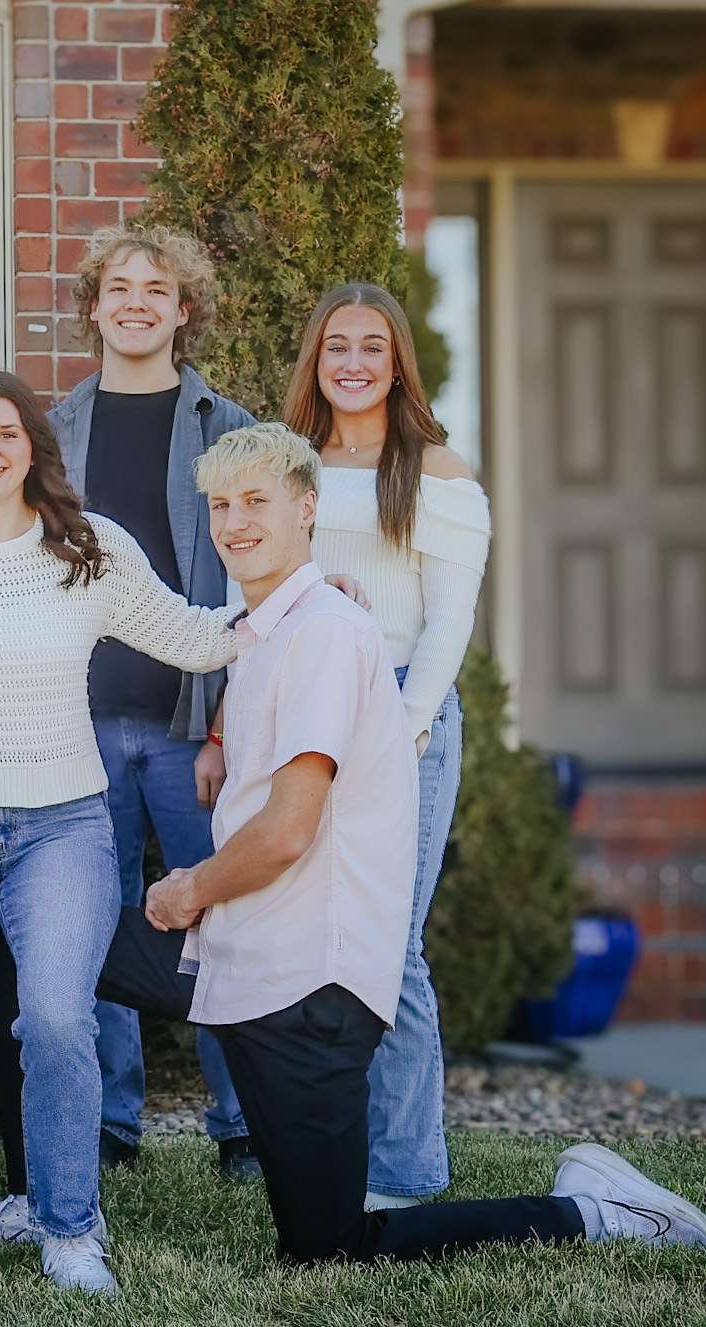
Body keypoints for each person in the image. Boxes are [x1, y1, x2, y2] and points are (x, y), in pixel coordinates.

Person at [96, 422, 706, 1268]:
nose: (234, 522)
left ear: (307, 507)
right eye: (220, 505)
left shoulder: (323, 633)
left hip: (307, 985)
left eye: (256, 502)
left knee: (327, 1247)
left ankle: (597, 1212)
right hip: (245, 955)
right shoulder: (273, 626)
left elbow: (284, 832)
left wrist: (187, 887)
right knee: (49, 944)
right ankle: (40, 1202)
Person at [0, 369, 242, 1295]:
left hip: (64, 828)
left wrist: (292, 596)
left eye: (9, 434)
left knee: (61, 1022)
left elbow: (193, 636)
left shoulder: (88, 550)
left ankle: (66, 1222)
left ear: (35, 447)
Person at [284, 282, 491, 1212]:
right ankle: (333, 1152)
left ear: (398, 360)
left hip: (403, 732)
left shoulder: (438, 474)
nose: (354, 362)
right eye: (337, 346)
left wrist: (400, 733)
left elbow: (447, 629)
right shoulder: (290, 464)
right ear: (316, 361)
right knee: (313, 943)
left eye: (373, 345)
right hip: (304, 729)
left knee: (389, 947)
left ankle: (407, 1174)